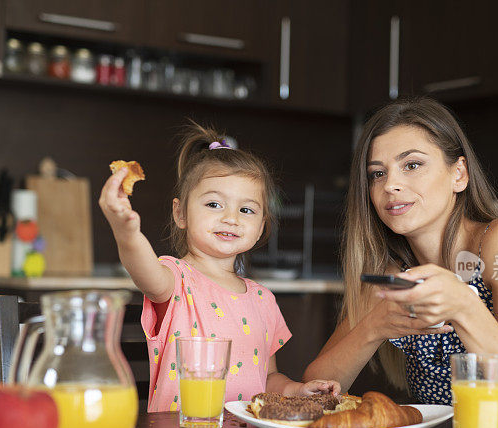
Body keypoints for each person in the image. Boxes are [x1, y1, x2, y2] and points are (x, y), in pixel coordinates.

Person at [303, 97, 498, 428]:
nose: (389, 184)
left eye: (412, 165)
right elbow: (313, 394)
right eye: (377, 173)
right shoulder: (394, 273)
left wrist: (464, 306)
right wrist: (374, 326)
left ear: (459, 174)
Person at [100, 122, 340, 412]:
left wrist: (297, 390)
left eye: (247, 209)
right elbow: (142, 268)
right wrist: (126, 232)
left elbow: (267, 378)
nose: (231, 218)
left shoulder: (263, 300)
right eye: (214, 204)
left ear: (262, 225)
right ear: (180, 213)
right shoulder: (174, 279)